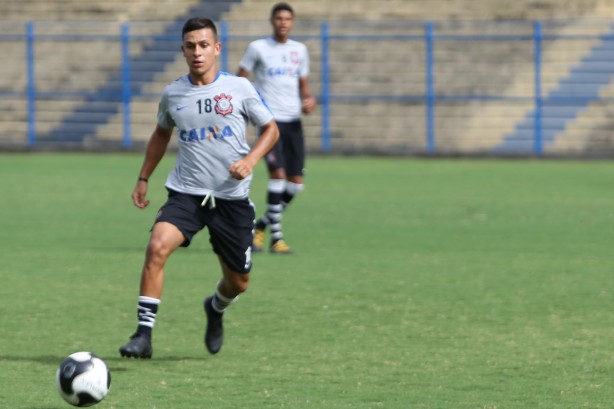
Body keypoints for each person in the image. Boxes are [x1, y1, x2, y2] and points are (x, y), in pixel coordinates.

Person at [119, 17, 279, 358]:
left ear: (216, 49)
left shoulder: (239, 89)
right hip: (187, 194)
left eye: (204, 45)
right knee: (157, 247)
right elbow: (161, 133)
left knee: (238, 284)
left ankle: (215, 308)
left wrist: (250, 161)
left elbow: (271, 130)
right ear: (182, 50)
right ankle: (143, 336)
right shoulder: (173, 93)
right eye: (190, 46)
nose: (197, 52)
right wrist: (144, 177)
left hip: (230, 200)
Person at [237, 2, 317, 254]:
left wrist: (308, 99)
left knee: (295, 184)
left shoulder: (299, 50)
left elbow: (303, 83)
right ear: (272, 21)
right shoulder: (258, 48)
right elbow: (241, 79)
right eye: (279, 18)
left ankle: (260, 226)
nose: (283, 22)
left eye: (287, 19)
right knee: (278, 177)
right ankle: (277, 239)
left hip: (294, 122)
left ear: (292, 22)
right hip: (270, 123)